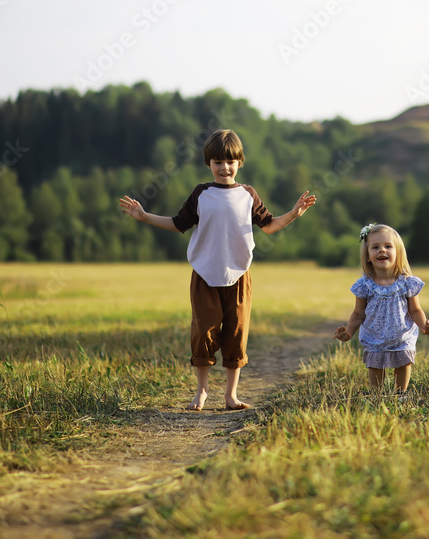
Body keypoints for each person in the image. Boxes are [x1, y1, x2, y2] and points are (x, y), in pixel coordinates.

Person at [119, 129, 316, 411]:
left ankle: (231, 395)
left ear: (240, 163)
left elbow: (270, 225)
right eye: (217, 162)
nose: (224, 167)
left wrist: (294, 213)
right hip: (204, 274)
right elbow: (178, 224)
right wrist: (144, 216)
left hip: (238, 275)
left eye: (230, 161)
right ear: (208, 164)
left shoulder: (248, 194)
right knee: (203, 332)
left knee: (236, 333)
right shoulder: (202, 193)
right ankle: (201, 392)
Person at [334, 223, 429, 392]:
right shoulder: (364, 284)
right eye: (375, 247)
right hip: (374, 335)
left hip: (402, 335)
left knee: (403, 363)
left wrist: (424, 326)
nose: (382, 250)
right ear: (368, 255)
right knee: (376, 367)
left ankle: (401, 394)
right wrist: (348, 332)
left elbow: (415, 310)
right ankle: (377, 396)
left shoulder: (407, 282)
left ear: (398, 253)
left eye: (388, 246)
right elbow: (358, 313)